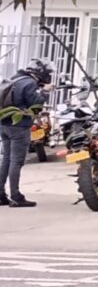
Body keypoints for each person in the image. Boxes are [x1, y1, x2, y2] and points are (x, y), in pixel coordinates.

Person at [0, 62, 50, 206]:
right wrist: (45, 92)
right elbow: (36, 104)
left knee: (6, 159)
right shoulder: (29, 84)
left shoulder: (14, 79)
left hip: (4, 123)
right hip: (19, 126)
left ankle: (0, 194)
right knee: (16, 161)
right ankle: (16, 196)